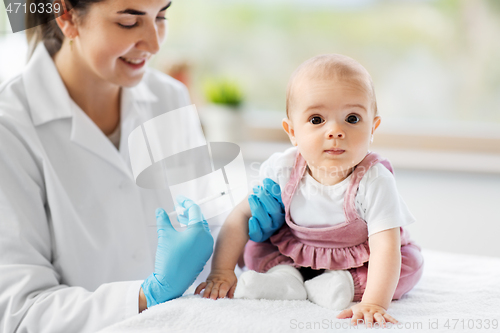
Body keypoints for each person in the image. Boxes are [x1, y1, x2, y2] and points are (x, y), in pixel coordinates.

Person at [0, 0, 276, 332]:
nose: (155, 43)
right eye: (129, 23)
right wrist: (147, 295)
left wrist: (255, 237)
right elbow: (19, 311)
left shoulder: (169, 98)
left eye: (161, 16)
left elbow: (214, 227)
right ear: (67, 16)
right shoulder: (10, 126)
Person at [196, 54, 424, 328]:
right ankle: (284, 280)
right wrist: (221, 271)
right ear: (292, 131)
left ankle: (343, 285)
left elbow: (385, 246)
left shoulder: (374, 179)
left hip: (357, 258)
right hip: (295, 251)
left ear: (373, 127)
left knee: (409, 265)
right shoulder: (284, 168)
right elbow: (241, 216)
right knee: (254, 249)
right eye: (317, 119)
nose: (336, 131)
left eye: (352, 118)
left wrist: (374, 303)